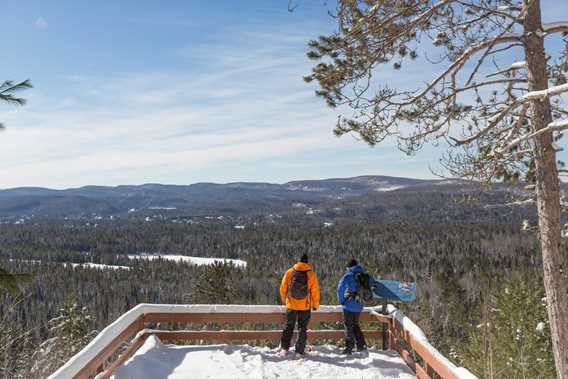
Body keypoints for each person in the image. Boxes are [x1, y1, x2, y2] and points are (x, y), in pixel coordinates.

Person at [279, 253, 320, 355]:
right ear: (307, 262)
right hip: (305, 306)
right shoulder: (311, 274)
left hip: (291, 304)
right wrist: (315, 305)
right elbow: (315, 291)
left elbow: (283, 288)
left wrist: (285, 301)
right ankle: (299, 351)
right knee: (302, 328)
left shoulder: (290, 272)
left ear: (298, 261)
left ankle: (284, 348)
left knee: (289, 326)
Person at [337, 259, 370, 355]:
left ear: (349, 267)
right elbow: (372, 284)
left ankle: (349, 348)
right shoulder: (364, 275)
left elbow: (340, 288)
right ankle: (361, 345)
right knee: (355, 325)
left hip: (348, 305)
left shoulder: (348, 276)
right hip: (359, 305)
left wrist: (342, 300)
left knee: (348, 326)